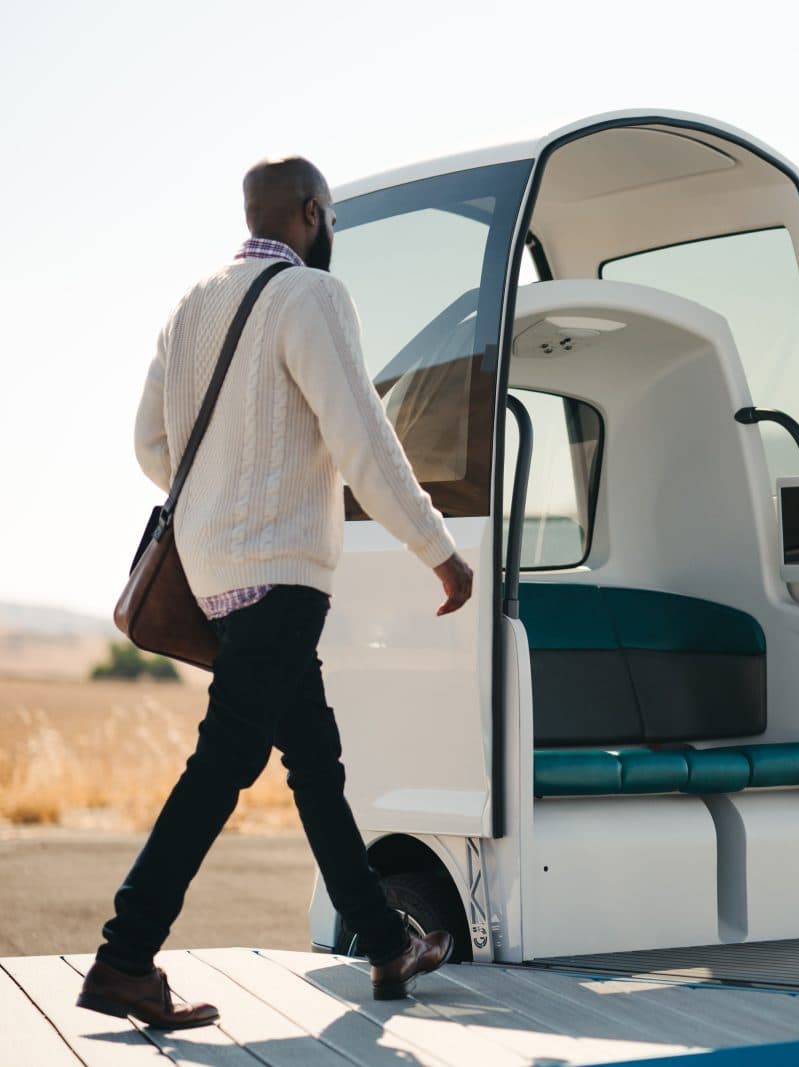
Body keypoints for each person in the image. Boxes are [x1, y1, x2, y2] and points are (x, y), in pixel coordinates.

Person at [76, 157, 474, 1029]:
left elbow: (153, 444)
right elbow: (363, 434)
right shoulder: (313, 299)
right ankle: (125, 955)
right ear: (308, 214)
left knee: (314, 765)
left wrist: (222, 486)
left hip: (215, 572)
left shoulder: (190, 305)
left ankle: (382, 940)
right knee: (227, 759)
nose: (329, 231)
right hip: (284, 571)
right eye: (327, 217)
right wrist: (438, 549)